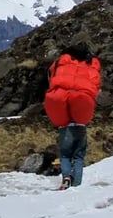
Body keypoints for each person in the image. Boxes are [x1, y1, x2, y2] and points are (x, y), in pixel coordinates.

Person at [43, 33, 102, 189]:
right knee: (79, 155)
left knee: (65, 154)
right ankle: (77, 185)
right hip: (81, 110)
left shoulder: (61, 62)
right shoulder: (91, 64)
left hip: (62, 111)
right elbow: (96, 84)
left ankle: (66, 177)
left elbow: (50, 77)